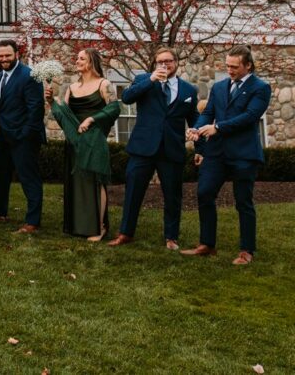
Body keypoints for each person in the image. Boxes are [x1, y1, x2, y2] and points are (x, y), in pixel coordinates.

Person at [182, 45, 271, 265]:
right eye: (227, 66)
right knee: (204, 193)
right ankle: (207, 244)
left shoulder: (261, 88)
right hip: (216, 153)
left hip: (243, 154)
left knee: (243, 202)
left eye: (234, 66)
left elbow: (250, 116)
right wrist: (196, 128)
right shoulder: (219, 86)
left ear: (248, 65)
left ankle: (246, 250)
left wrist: (218, 128)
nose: (229, 70)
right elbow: (209, 112)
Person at [109, 47, 198, 250]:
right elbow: (127, 98)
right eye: (160, 62)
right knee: (133, 193)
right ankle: (125, 233)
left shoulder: (188, 91)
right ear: (154, 64)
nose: (164, 65)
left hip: (171, 149)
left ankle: (171, 237)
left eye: (168, 61)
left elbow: (194, 121)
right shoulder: (143, 80)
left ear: (176, 62)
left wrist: (199, 146)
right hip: (143, 148)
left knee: (173, 195)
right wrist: (151, 80)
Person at [47, 48, 120, 241]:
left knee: (96, 182)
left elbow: (114, 108)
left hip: (94, 140)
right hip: (75, 142)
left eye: (81, 58)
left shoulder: (104, 84)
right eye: (77, 58)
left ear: (91, 62)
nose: (77, 61)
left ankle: (100, 227)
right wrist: (51, 102)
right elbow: (65, 116)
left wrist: (91, 120)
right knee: (78, 183)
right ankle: (79, 225)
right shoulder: (71, 88)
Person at [0, 39, 45, 234]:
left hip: (24, 137)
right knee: (0, 171)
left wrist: (25, 134)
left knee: (29, 178)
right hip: (5, 136)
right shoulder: (0, 75)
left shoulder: (29, 75)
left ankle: (32, 222)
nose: (4, 59)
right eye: (0, 56)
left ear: (17, 54)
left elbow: (36, 109)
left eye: (7, 55)